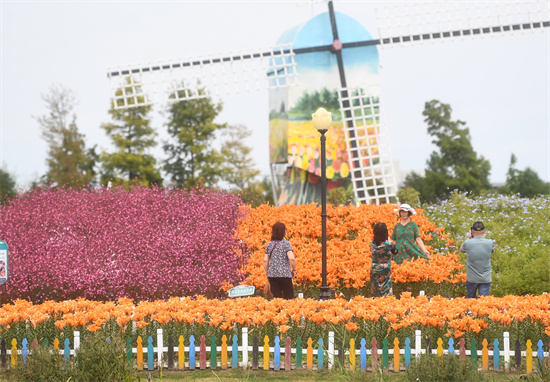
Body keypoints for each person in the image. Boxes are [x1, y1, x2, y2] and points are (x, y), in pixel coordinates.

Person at [460, 221, 494, 298]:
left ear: (472, 231)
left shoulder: (467, 243)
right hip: (485, 278)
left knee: (469, 302)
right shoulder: (490, 242)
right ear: (484, 230)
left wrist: (468, 238)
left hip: (472, 278)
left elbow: (461, 250)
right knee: (483, 303)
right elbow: (492, 251)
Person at [264, 221, 296, 299]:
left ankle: (278, 310)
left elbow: (265, 261)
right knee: (289, 298)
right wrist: (294, 270)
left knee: (277, 299)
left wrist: (268, 273)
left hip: (272, 275)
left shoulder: (269, 244)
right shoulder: (286, 243)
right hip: (285, 275)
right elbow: (291, 258)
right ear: (283, 232)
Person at [370, 222, 397, 297]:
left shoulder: (372, 244)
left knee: (375, 289)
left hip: (374, 268)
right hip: (385, 269)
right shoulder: (388, 244)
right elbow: (395, 251)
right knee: (386, 291)